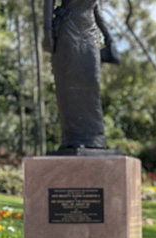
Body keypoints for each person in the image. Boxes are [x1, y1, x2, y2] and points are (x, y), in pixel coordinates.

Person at [44, 0, 119, 149]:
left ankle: (95, 138)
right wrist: (47, 31)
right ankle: (73, 139)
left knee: (92, 81)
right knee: (70, 85)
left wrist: (108, 37)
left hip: (90, 33)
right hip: (68, 27)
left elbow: (97, 9)